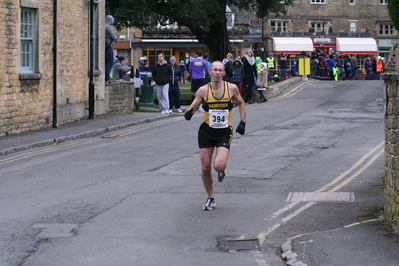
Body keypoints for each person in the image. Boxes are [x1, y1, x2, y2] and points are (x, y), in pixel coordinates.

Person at [184, 61, 246, 211]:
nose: (217, 73)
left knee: (218, 165)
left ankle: (222, 169)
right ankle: (210, 198)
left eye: (220, 70)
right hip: (206, 131)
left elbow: (241, 102)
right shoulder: (203, 90)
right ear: (210, 72)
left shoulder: (230, 89)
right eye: (215, 70)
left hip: (224, 131)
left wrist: (242, 122)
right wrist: (189, 113)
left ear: (224, 73)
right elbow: (195, 104)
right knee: (205, 168)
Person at [105, 15, 118, 82]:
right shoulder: (108, 27)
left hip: (104, 46)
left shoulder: (102, 26)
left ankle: (106, 76)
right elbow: (113, 37)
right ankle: (107, 77)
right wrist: (116, 37)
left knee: (105, 62)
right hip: (108, 46)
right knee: (110, 62)